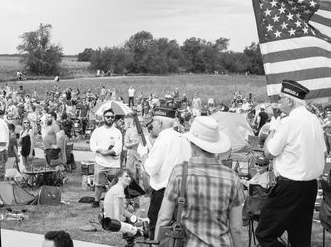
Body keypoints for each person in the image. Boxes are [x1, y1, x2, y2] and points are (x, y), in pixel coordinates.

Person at [255, 80, 327, 247]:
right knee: (300, 238)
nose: (278, 102)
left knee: (265, 233)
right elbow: (323, 151)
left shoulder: (288, 122)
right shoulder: (314, 119)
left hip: (289, 187)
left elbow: (268, 153)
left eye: (281, 98)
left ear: (290, 100)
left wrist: (273, 129)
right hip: (309, 186)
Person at [155, 116, 244, 246]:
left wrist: (156, 243)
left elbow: (164, 218)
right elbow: (236, 228)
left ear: (192, 144)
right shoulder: (232, 177)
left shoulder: (180, 172)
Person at [138, 107, 191, 238]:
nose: (152, 124)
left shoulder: (163, 139)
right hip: (183, 191)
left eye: (154, 121)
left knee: (157, 227)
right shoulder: (183, 138)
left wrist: (144, 154)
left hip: (163, 192)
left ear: (160, 123)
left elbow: (150, 168)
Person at [89, 108, 122, 208]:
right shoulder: (97, 131)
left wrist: (107, 152)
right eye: (108, 117)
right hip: (100, 162)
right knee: (98, 184)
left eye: (112, 117)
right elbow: (93, 145)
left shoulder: (117, 132)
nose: (110, 119)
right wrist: (101, 151)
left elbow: (118, 147)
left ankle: (113, 202)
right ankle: (96, 201)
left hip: (114, 164)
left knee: (114, 185)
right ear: (104, 118)